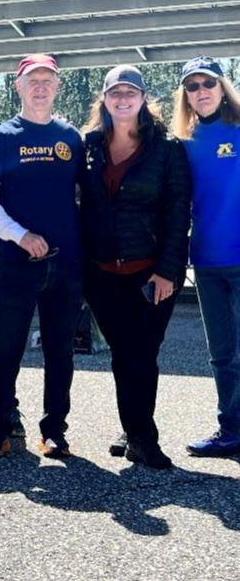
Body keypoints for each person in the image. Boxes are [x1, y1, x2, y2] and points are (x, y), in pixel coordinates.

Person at [0, 53, 83, 458]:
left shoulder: (71, 138)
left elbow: (87, 196)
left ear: (57, 87)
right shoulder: (0, 139)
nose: (40, 87)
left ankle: (54, 430)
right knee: (5, 349)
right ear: (18, 87)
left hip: (67, 264)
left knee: (60, 350)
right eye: (32, 80)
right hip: (18, 263)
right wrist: (20, 236)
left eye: (47, 81)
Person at [81, 65, 191, 469]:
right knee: (122, 352)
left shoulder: (167, 148)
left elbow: (179, 212)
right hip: (101, 272)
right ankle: (132, 427)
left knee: (142, 353)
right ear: (105, 99)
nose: (123, 99)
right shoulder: (88, 146)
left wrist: (168, 269)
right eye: (115, 92)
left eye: (131, 92)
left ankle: (143, 437)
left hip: (152, 274)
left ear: (144, 99)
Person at [172, 56, 240, 457]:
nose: (201, 92)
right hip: (208, 262)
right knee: (221, 353)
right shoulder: (183, 142)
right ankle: (230, 429)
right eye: (192, 86)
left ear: (222, 87)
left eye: (207, 83)